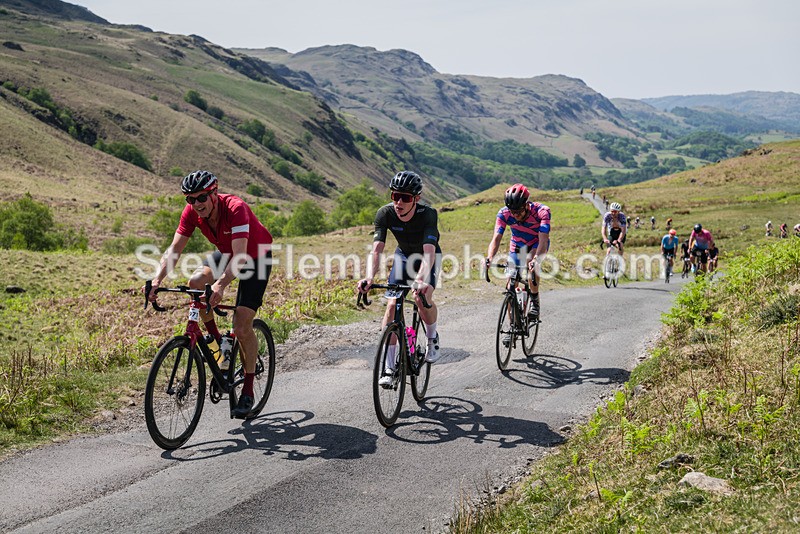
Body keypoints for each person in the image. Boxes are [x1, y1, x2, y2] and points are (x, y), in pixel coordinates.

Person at [145, 171, 274, 418]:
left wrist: (221, 285)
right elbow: (174, 249)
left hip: (255, 257)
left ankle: (248, 390)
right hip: (228, 253)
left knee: (242, 325)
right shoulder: (192, 212)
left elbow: (241, 257)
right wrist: (157, 279)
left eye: (202, 197)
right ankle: (219, 346)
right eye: (190, 199)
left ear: (214, 193)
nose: (196, 204)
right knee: (195, 283)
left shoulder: (236, 208)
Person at [357, 171, 442, 387]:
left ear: (416, 198)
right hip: (403, 257)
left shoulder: (428, 215)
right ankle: (389, 367)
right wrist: (369, 277)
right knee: (392, 305)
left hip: (427, 257)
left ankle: (432, 337)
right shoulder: (384, 213)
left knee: (422, 298)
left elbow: (429, 253)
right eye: (395, 196)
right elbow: (377, 250)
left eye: (405, 197)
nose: (399, 203)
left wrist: (421, 279)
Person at [485, 183, 551, 346]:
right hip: (517, 246)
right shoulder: (504, 213)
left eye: (519, 211)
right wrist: (489, 257)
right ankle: (513, 326)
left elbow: (543, 240)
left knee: (531, 264)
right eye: (512, 212)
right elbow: (496, 238)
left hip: (536, 244)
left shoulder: (542, 212)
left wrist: (536, 259)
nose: (515, 215)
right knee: (510, 285)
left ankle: (534, 300)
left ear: (526, 205)